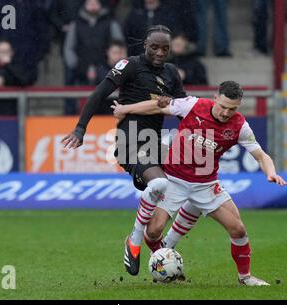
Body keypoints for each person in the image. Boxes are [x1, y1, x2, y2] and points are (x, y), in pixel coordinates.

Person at [112, 81, 287, 286]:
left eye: (232, 109)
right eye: (222, 106)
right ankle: (164, 261)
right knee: (153, 231)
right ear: (215, 98)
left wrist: (271, 172)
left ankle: (245, 278)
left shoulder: (240, 126)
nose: (225, 113)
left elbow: (261, 156)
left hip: (206, 184)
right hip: (174, 180)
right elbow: (157, 106)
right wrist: (125, 109)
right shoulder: (193, 105)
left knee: (238, 229)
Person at [61, 25, 200, 276]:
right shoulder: (130, 65)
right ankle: (134, 241)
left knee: (193, 190)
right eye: (154, 47)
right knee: (159, 185)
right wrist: (80, 128)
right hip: (131, 143)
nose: (160, 52)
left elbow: (183, 111)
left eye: (165, 48)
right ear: (145, 44)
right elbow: (99, 93)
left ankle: (162, 252)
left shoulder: (171, 73)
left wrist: (196, 137)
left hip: (156, 144)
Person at [63, 0, 124, 114]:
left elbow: (119, 45)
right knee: (79, 101)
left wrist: (113, 64)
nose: (93, 7)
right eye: (90, 4)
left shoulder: (110, 22)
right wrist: (75, 64)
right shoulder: (76, 24)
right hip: (81, 71)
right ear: (85, 5)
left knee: (106, 100)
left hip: (106, 70)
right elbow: (69, 47)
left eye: (95, 3)